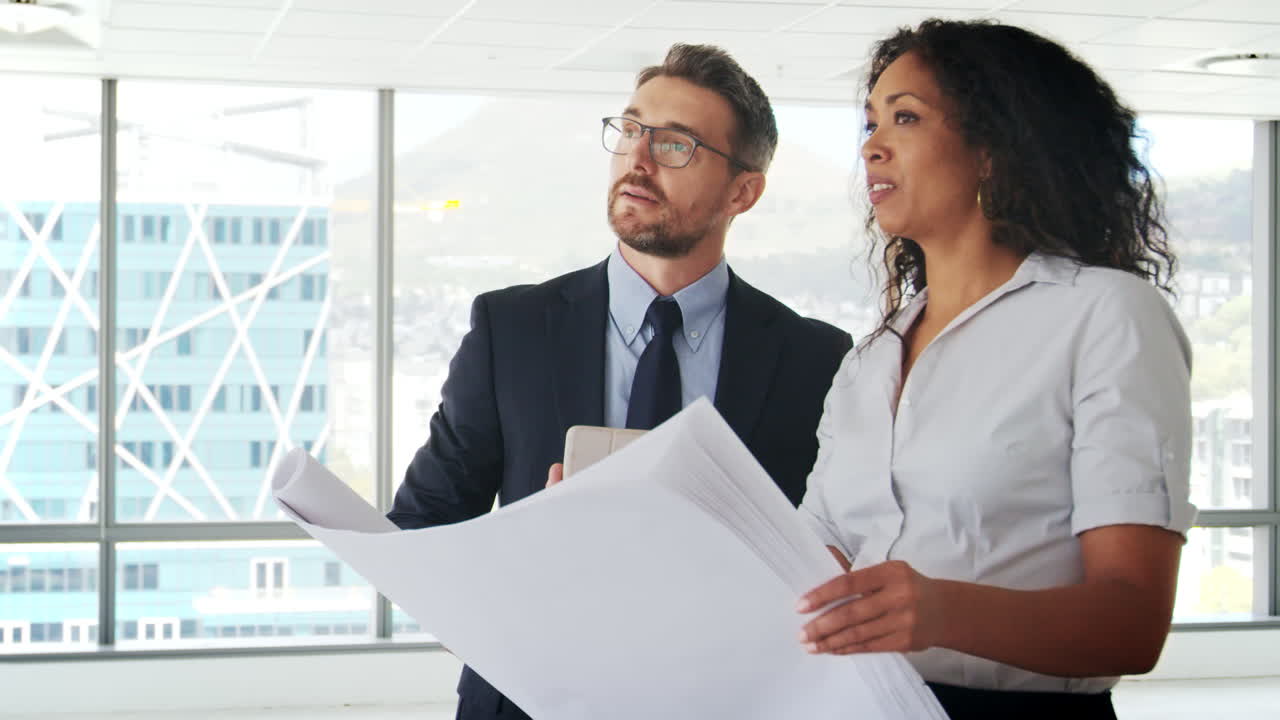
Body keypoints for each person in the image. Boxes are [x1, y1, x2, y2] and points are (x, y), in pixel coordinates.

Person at [389, 43, 853, 720]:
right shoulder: (511, 328)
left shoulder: (815, 359)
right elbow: (422, 528)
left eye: (675, 144)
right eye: (632, 130)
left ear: (743, 191)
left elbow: (827, 562)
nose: (637, 159)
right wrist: (527, 557)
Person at [793, 19, 1194, 720]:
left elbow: (1133, 624)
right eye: (868, 124)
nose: (871, 146)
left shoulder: (1104, 315)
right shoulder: (869, 357)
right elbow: (810, 566)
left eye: (905, 118)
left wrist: (942, 610)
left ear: (991, 151)